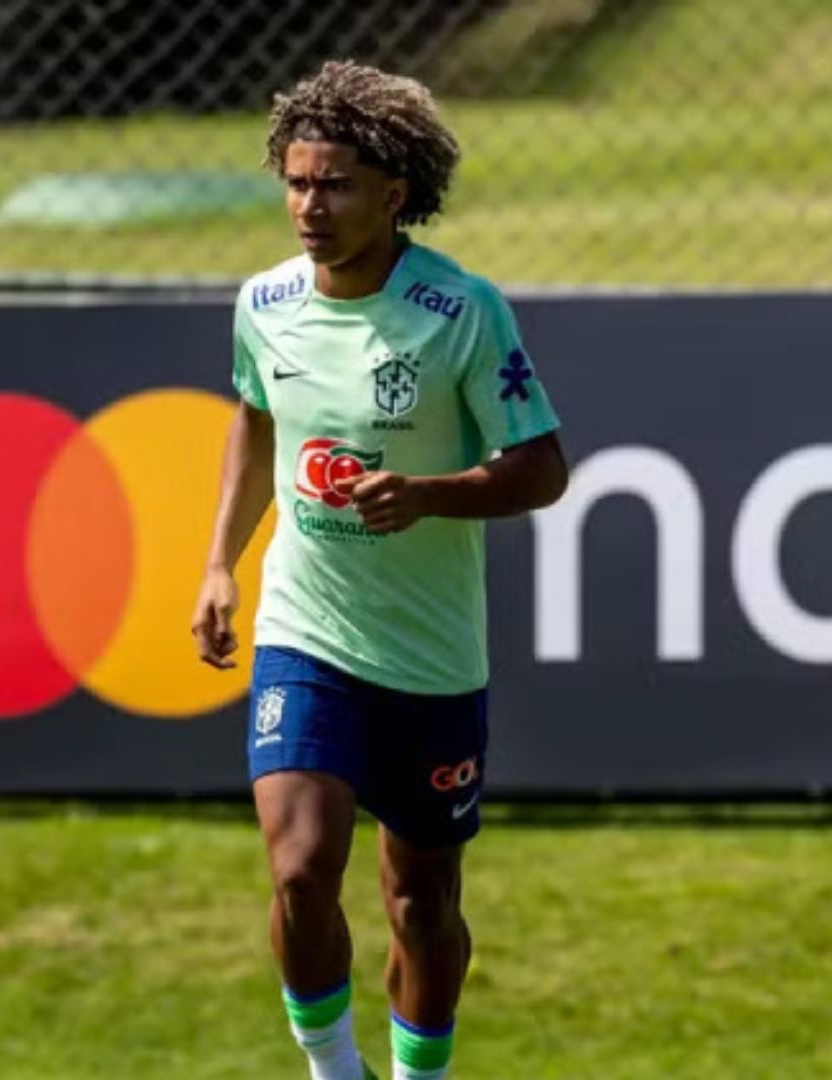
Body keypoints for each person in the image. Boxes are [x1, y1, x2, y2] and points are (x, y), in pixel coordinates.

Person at [191, 59, 567, 1080]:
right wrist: (221, 563)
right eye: (298, 182)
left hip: (433, 658)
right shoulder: (263, 303)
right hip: (307, 630)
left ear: (393, 194)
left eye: (335, 185)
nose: (309, 207)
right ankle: (332, 1070)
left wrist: (430, 492)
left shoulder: (463, 312)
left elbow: (541, 470)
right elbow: (258, 426)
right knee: (302, 869)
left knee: (421, 903)